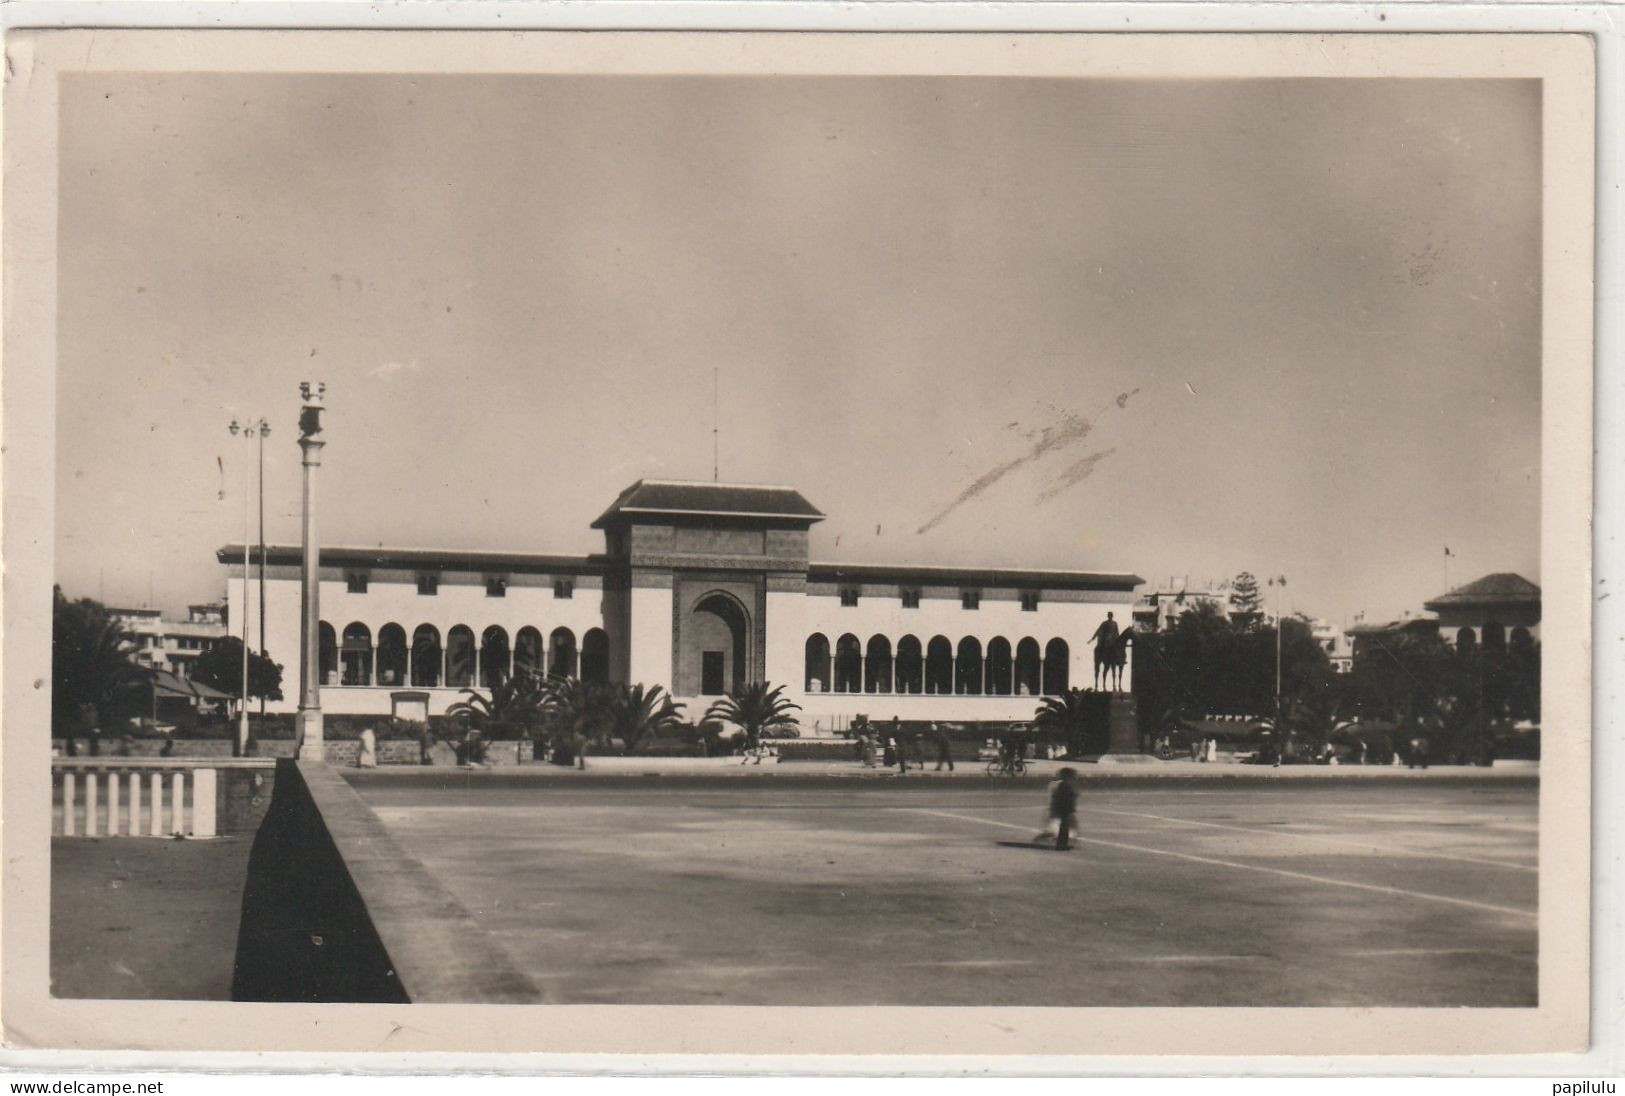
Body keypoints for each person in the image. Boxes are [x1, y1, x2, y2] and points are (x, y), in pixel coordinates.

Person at [1036, 767, 1080, 851]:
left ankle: (1061, 843)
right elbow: (1065, 797)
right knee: (1063, 828)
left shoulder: (1063, 784)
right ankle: (1060, 843)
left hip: (1062, 809)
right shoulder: (1065, 785)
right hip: (1064, 809)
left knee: (1064, 828)